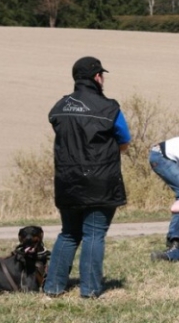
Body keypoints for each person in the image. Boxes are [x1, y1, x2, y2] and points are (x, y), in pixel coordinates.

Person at [44, 56, 131, 298]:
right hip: (100, 180)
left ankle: (53, 287)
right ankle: (90, 289)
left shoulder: (59, 107)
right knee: (94, 233)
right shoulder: (109, 108)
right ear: (96, 77)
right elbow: (124, 140)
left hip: (67, 180)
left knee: (69, 232)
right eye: (102, 74)